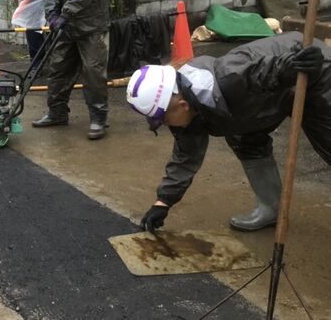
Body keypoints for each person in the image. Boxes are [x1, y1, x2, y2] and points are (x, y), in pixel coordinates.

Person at [126, 33, 330, 233]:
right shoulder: (184, 102)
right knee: (244, 138)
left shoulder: (230, 77)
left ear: (183, 105)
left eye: (164, 120)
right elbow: (186, 156)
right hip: (267, 95)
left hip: (308, 67)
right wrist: (163, 202)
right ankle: (271, 210)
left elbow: (264, 71)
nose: (165, 125)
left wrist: (292, 64)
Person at [31, 0, 110, 140]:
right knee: (58, 68)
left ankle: (98, 118)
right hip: (67, 24)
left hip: (91, 25)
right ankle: (57, 113)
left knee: (93, 73)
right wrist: (52, 14)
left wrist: (65, 13)